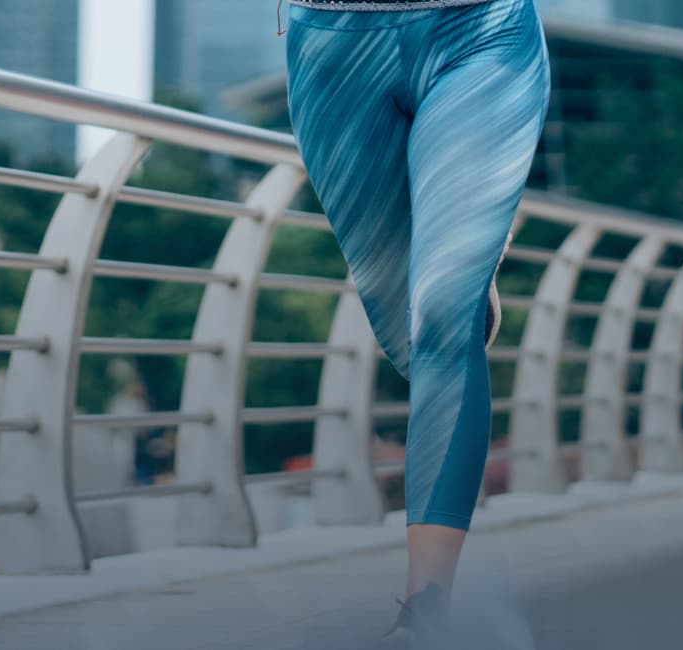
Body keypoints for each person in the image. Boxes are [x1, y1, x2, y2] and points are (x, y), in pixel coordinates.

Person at [281, 0, 550, 645]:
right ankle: (465, 261)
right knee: (407, 329)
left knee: (440, 321)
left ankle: (426, 606)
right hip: (334, 47)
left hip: (482, 29)